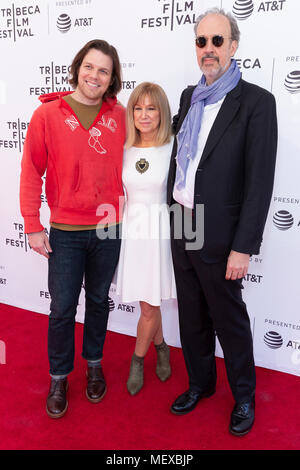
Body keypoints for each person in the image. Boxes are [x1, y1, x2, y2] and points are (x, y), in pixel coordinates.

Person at [167, 8, 277, 436]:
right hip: (181, 223)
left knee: (229, 320)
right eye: (201, 42)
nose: (208, 50)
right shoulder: (187, 97)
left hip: (222, 234)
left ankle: (244, 396)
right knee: (191, 315)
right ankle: (200, 385)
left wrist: (243, 246)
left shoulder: (257, 103)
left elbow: (259, 182)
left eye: (217, 41)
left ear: (233, 46)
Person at [20, 40, 126, 418]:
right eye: (90, 66)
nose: (94, 75)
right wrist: (32, 224)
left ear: (112, 78)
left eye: (104, 70)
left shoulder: (121, 116)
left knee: (99, 301)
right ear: (77, 67)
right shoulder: (47, 115)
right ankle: (59, 376)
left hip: (108, 230)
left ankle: (94, 363)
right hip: (64, 231)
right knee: (63, 307)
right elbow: (32, 170)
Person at [116, 82, 176, 395]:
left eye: (151, 108)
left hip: (160, 236)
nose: (144, 114)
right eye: (138, 108)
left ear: (161, 112)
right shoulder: (123, 147)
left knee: (151, 306)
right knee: (147, 302)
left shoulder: (174, 147)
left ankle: (137, 360)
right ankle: (162, 346)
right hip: (132, 235)